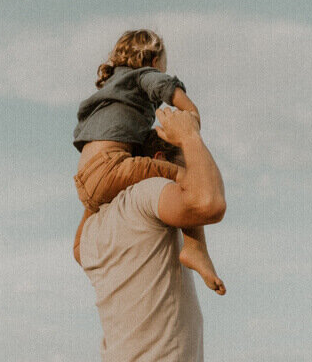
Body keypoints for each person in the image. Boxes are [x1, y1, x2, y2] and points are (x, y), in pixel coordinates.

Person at [72, 29, 225, 293]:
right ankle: (195, 248)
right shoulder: (142, 75)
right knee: (186, 177)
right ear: (154, 61)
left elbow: (78, 251)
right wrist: (191, 117)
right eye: (163, 66)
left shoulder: (110, 90)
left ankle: (195, 249)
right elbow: (165, 87)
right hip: (111, 166)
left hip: (86, 180)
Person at [75, 107, 227, 362]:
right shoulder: (146, 194)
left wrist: (101, 181)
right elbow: (208, 203)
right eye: (186, 163)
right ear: (159, 161)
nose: (193, 173)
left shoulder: (93, 230)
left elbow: (79, 251)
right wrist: (190, 137)